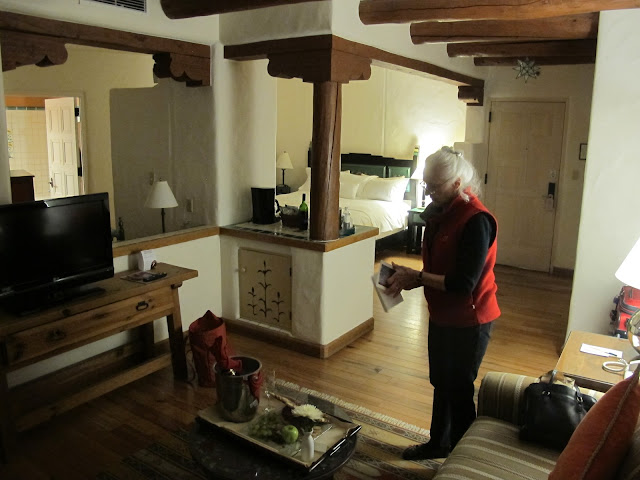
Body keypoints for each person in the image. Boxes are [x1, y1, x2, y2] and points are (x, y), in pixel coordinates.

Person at [385, 146, 500, 460]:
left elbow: (463, 284)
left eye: (435, 186)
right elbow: (436, 268)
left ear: (458, 183)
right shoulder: (440, 213)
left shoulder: (477, 220)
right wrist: (407, 278)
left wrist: (418, 277)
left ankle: (464, 460)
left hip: (470, 318)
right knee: (441, 382)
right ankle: (439, 444)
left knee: (459, 389)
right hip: (442, 315)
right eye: (426, 184)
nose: (429, 192)